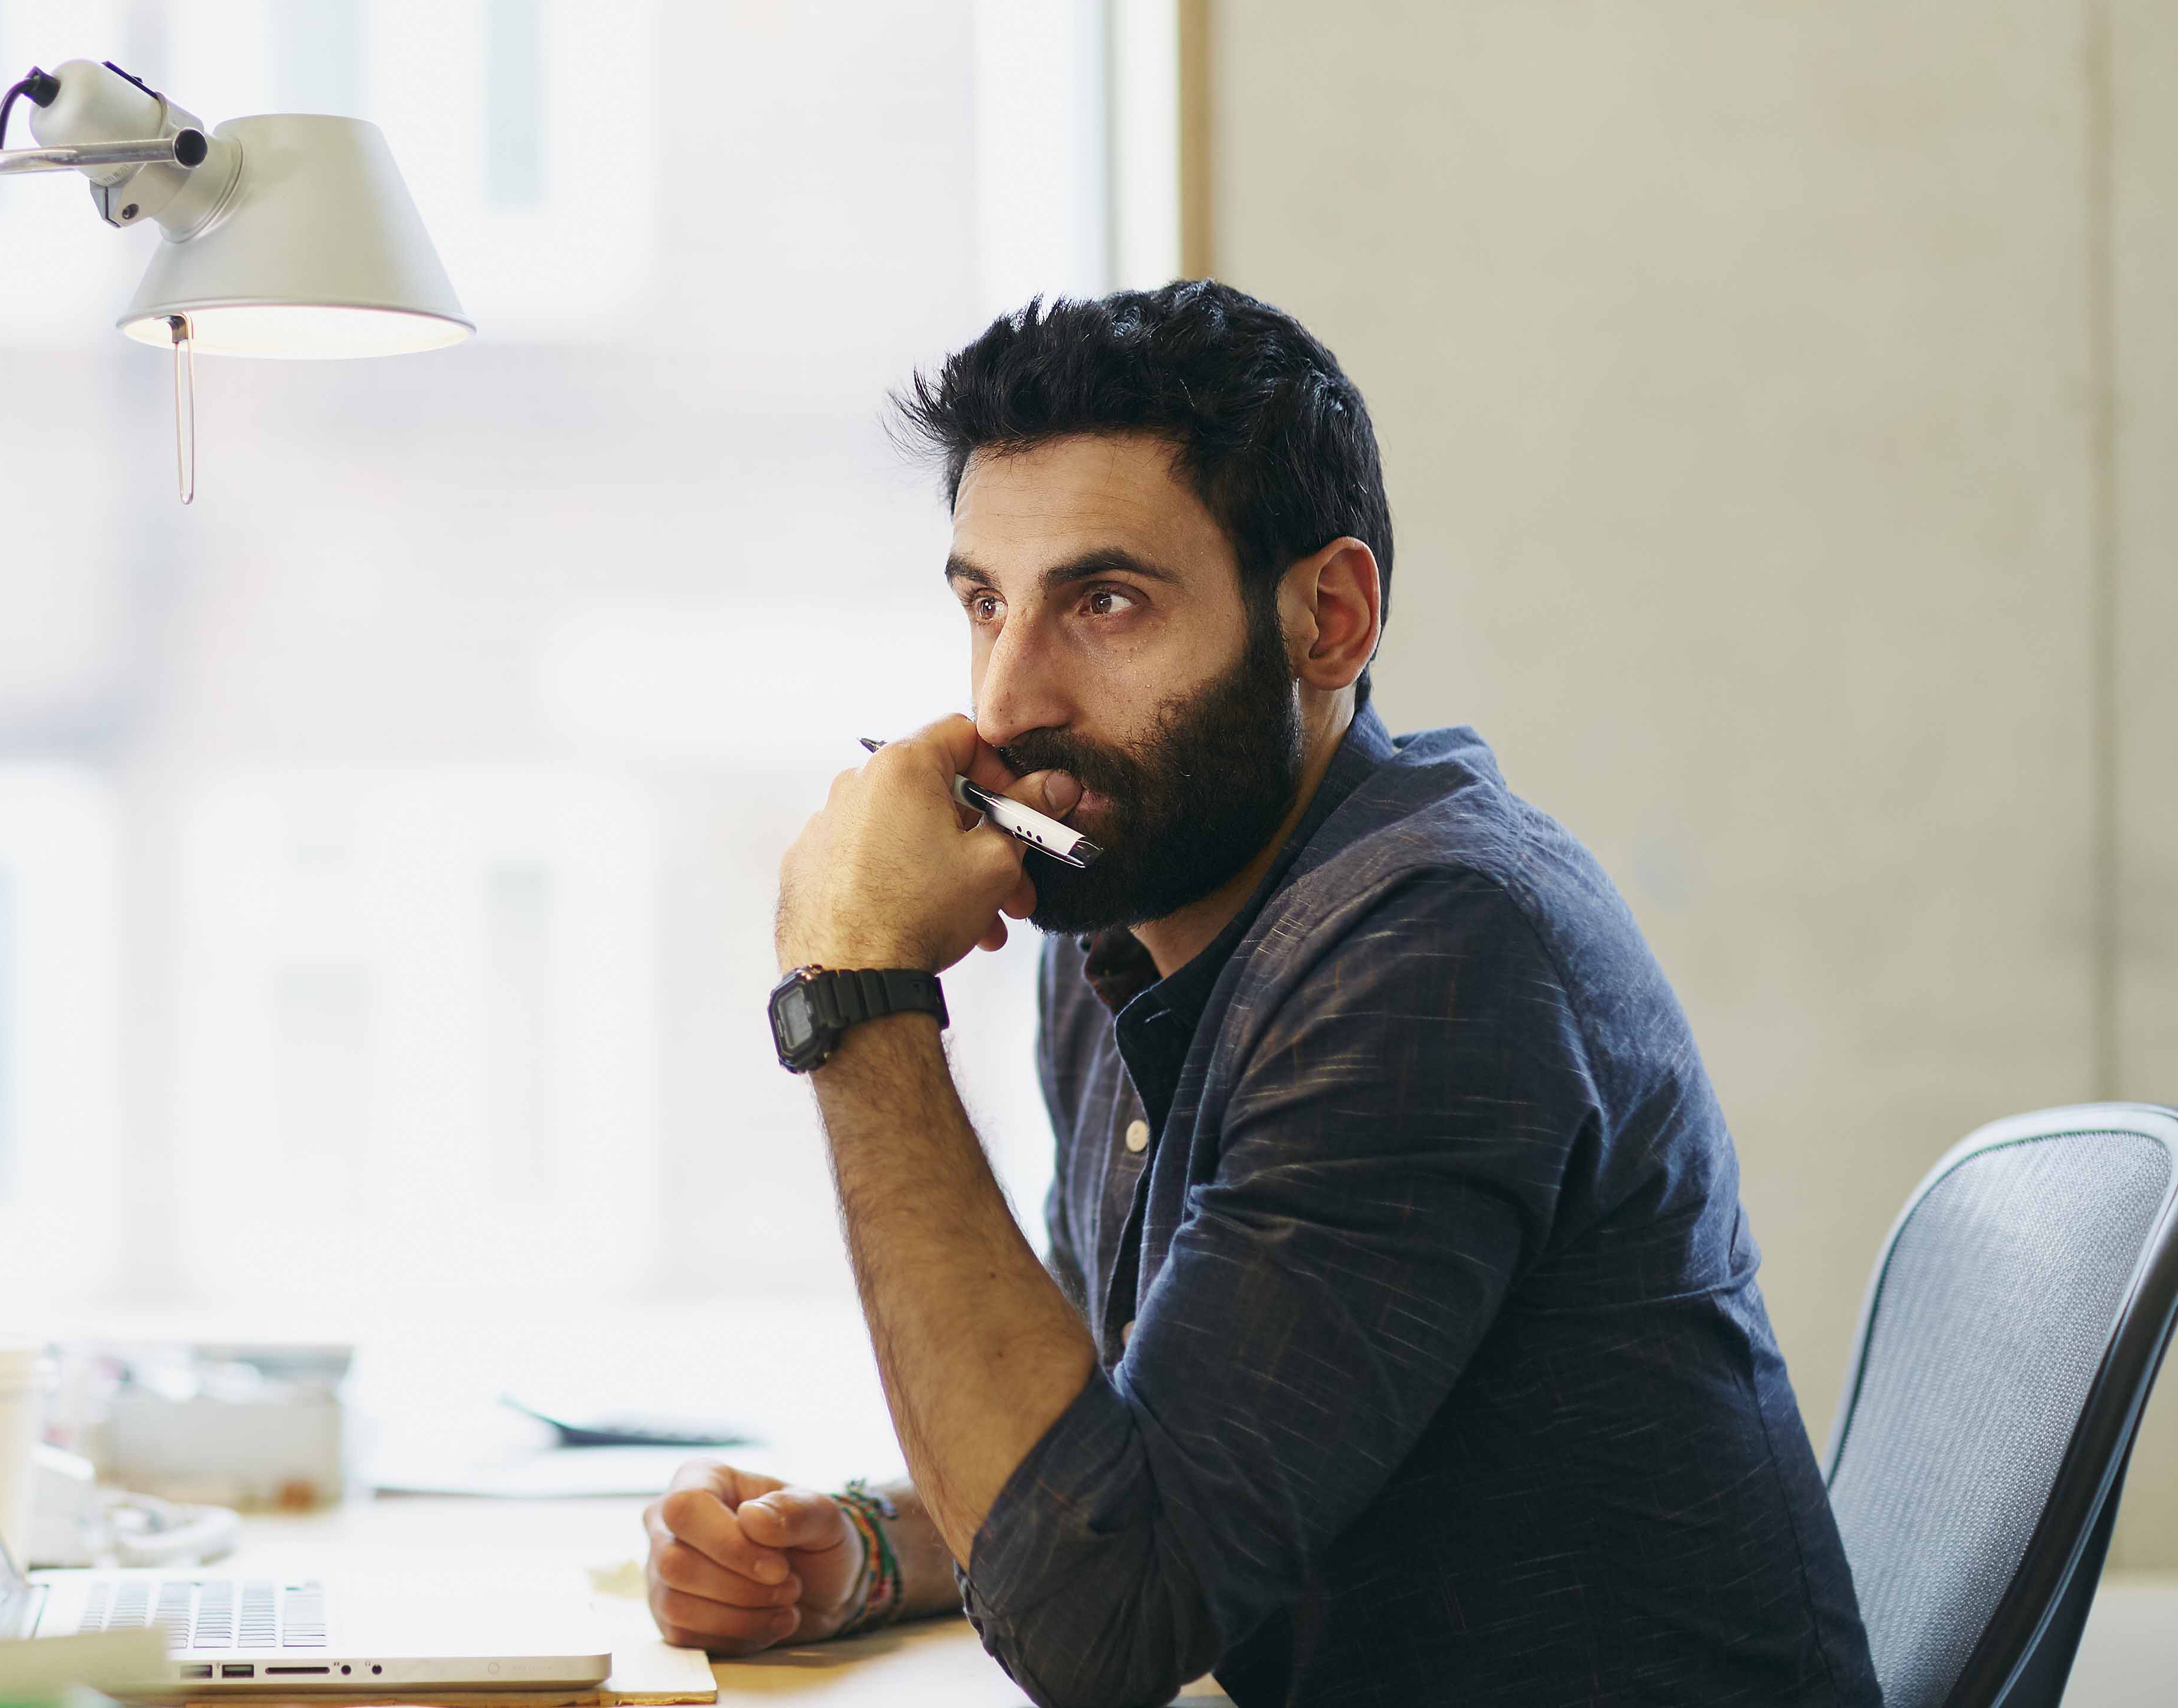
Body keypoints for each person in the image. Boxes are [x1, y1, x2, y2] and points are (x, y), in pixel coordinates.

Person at [641, 283, 1879, 1707]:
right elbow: (1135, 1465)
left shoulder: (1436, 949)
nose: (1007, 700)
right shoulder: (1119, 921)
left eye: (1104, 602)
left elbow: (1104, 1623)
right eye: (987, 602)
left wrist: (856, 994)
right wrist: (857, 1548)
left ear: (1328, 620)